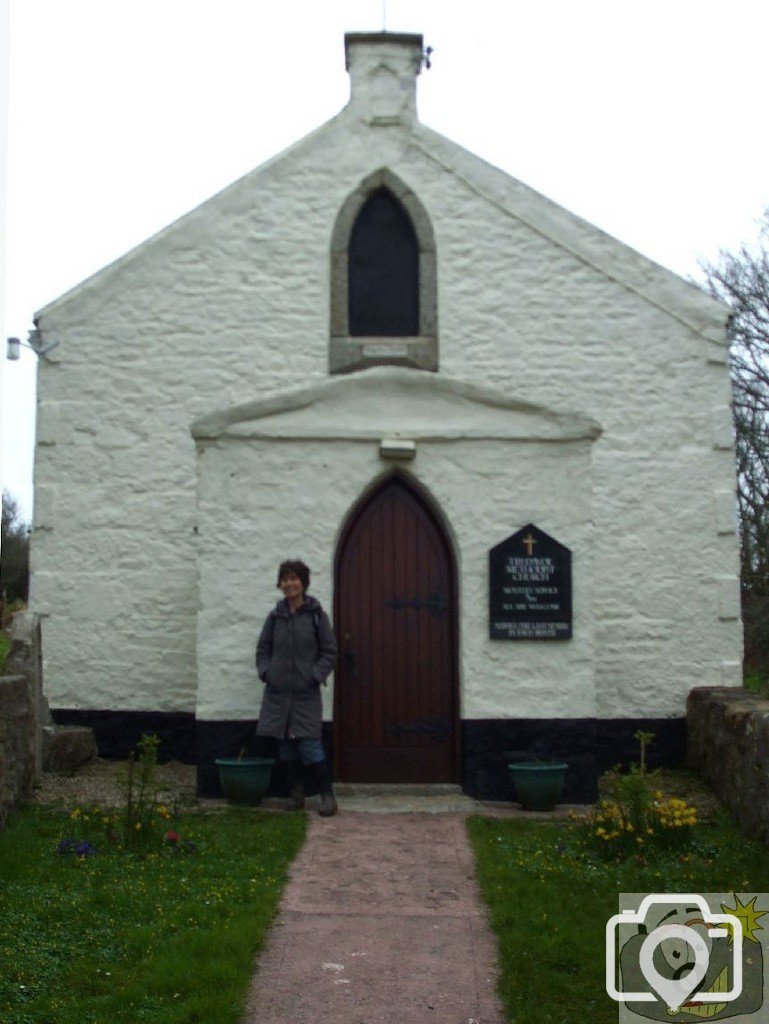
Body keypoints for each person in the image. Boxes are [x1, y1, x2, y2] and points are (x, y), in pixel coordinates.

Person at [255, 560, 339, 816]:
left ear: (303, 583)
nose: (289, 584)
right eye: (285, 579)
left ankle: (327, 797)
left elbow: (329, 651)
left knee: (310, 745)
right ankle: (297, 796)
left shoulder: (316, 616)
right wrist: (267, 672)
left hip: (305, 694)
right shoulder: (275, 617)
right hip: (278, 694)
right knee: (286, 747)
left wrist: (314, 675)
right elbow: (263, 650)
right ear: (280, 584)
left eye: (294, 579)